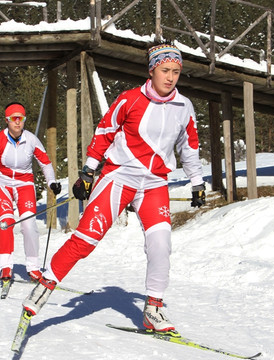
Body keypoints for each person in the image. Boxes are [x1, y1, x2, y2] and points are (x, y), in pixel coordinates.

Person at [21, 43, 206, 333]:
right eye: (165, 70)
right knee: (86, 240)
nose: (170, 77)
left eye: (176, 72)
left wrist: (197, 183)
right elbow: (105, 133)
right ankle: (44, 287)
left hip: (154, 182)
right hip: (119, 177)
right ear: (152, 70)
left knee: (161, 245)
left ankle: (153, 310)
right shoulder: (130, 100)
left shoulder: (184, 107)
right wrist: (87, 173)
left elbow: (190, 146)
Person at [0, 102, 61, 282]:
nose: (17, 123)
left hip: (24, 183)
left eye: (21, 119)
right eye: (13, 119)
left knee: (29, 225)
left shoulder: (31, 139)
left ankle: (34, 268)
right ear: (7, 121)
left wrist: (52, 182)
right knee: (6, 221)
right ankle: (5, 266)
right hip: (1, 183)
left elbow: (45, 163)